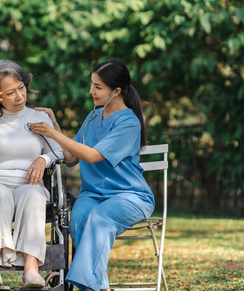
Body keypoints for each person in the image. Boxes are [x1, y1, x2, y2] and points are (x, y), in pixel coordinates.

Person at [29, 59, 154, 291]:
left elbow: (93, 156)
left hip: (130, 196)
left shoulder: (129, 122)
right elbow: (71, 157)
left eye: (98, 86)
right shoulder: (94, 116)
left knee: (99, 218)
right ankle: (100, 287)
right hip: (93, 193)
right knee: (78, 218)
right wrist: (54, 126)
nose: (91, 91)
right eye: (92, 84)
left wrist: (54, 135)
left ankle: (89, 286)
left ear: (116, 91)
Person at [0, 60, 63, 287]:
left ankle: (32, 269)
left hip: (29, 184)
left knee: (33, 195)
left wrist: (42, 159)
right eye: (10, 92)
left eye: (21, 88)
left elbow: (59, 151)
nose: (19, 97)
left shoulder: (38, 117)